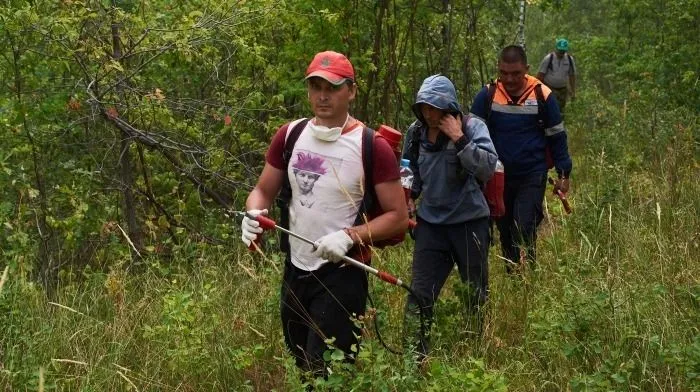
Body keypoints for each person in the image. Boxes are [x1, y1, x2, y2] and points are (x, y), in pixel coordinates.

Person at [240, 50, 408, 378]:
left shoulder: (372, 146)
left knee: (326, 372)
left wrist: (349, 237)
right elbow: (262, 190)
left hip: (342, 273)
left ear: (352, 90)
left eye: (332, 87)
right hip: (295, 269)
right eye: (315, 86)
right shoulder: (290, 135)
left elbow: (397, 217)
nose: (322, 95)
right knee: (302, 365)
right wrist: (252, 214)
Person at [402, 75, 497, 359]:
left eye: (434, 107)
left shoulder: (472, 126)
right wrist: (407, 199)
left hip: (470, 223)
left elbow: (487, 169)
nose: (429, 113)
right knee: (419, 295)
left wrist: (459, 138)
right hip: (431, 226)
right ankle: (413, 358)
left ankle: (474, 353)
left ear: (448, 105)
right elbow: (409, 172)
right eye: (424, 107)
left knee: (474, 294)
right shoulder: (416, 132)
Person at [470, 45, 572, 272]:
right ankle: (516, 279)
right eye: (504, 73)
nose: (509, 79)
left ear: (526, 69)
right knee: (505, 230)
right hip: (497, 176)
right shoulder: (487, 95)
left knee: (523, 225)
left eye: (515, 73)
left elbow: (557, 136)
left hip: (532, 173)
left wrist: (564, 173)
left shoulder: (542, 95)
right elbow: (471, 134)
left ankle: (528, 271)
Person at [536, 38, 577, 112]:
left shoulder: (569, 59)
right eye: (560, 51)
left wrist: (573, 91)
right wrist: (538, 90)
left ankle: (560, 122)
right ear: (556, 49)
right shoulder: (549, 58)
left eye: (563, 51)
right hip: (549, 88)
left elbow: (572, 76)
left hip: (562, 90)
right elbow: (540, 75)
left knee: (561, 110)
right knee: (550, 108)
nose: (561, 53)